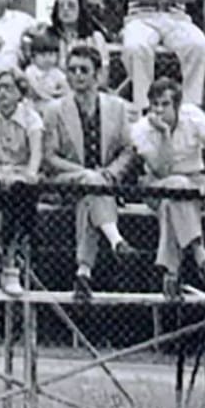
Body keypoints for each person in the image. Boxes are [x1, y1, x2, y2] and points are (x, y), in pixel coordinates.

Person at [40, 43, 142, 301]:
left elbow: (128, 150)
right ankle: (116, 239)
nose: (77, 75)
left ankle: (83, 271)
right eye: (72, 70)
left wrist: (111, 172)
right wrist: (85, 172)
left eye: (84, 70)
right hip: (67, 182)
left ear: (97, 74)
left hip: (101, 187)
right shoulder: (53, 110)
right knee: (90, 182)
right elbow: (49, 157)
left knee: (91, 196)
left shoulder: (116, 107)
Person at [126, 77, 205, 299]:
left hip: (194, 182)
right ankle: (201, 255)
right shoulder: (142, 128)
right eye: (155, 104)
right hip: (157, 184)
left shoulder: (194, 116)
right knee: (175, 185)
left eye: (165, 104)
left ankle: (170, 272)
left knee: (171, 204)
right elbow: (162, 171)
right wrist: (164, 134)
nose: (159, 110)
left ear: (178, 106)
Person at [0, 68, 44, 296]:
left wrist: (30, 173)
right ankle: (10, 265)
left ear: (20, 93)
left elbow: (36, 153)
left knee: (18, 195)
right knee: (16, 202)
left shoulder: (31, 117)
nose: (2, 93)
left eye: (9, 88)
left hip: (18, 176)